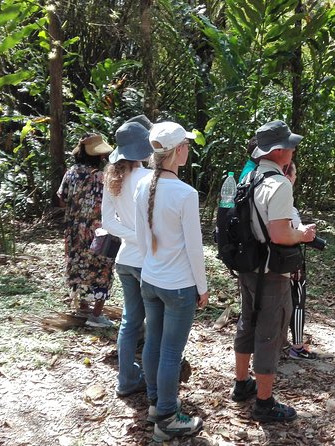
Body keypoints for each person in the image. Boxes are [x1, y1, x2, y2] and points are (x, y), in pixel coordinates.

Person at [231, 120, 316, 423]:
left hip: (247, 266)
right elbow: (280, 234)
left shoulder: (248, 177)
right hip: (270, 271)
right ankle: (264, 403)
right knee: (269, 334)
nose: (293, 149)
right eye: (290, 145)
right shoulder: (278, 184)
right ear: (279, 151)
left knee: (247, 323)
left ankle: (242, 385)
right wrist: (303, 234)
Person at [134, 121, 208, 441]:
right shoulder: (185, 193)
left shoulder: (141, 185)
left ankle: (155, 405)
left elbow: (141, 239)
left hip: (149, 279)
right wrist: (202, 288)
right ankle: (167, 416)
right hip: (178, 286)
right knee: (170, 352)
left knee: (154, 344)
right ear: (177, 151)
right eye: (187, 145)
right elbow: (194, 247)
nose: (188, 150)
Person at [101, 116, 154, 397]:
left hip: (124, 260)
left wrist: (131, 236)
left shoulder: (112, 178)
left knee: (130, 322)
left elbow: (108, 223)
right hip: (148, 262)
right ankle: (152, 379)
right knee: (155, 324)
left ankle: (126, 379)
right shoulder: (149, 178)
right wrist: (143, 237)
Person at [57, 134, 115, 328]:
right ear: (99, 156)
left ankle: (83, 307)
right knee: (102, 269)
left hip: (74, 231)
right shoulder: (102, 177)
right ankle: (96, 314)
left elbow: (62, 200)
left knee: (78, 266)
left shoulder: (71, 173)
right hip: (98, 232)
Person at [284, 161, 317, 360]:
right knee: (297, 301)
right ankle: (297, 345)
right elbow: (292, 231)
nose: (296, 178)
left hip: (272, 262)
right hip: (290, 261)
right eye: (295, 174)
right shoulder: (285, 202)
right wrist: (304, 233)